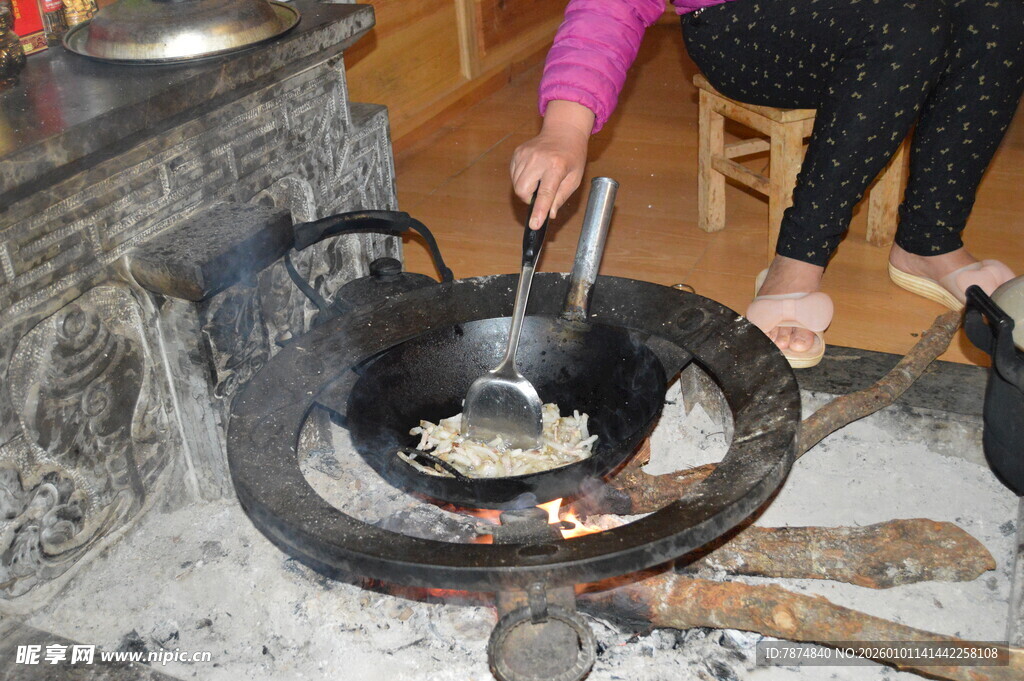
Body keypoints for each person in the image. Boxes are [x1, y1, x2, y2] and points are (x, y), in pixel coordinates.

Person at [510, 0, 1024, 368]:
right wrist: (565, 126)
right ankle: (794, 267)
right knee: (906, 22)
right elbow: (610, 7)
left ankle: (929, 242)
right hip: (741, 21)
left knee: (1001, 12)